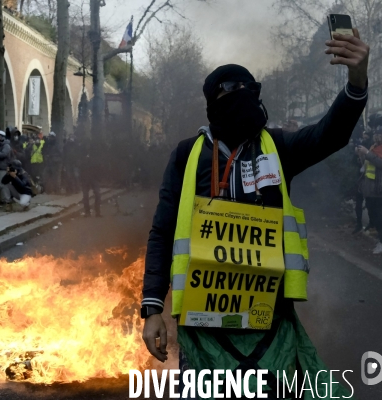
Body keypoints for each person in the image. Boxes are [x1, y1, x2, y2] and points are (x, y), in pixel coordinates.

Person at [141, 31, 369, 398]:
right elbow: (162, 231)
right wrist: (152, 307)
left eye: (251, 87)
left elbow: (332, 133)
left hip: (268, 320)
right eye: (232, 89)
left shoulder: (278, 147)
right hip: (204, 323)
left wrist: (357, 81)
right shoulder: (187, 155)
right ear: (213, 103)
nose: (243, 93)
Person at [356, 127, 382, 254]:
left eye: (379, 135)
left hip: (380, 190)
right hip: (370, 189)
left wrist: (367, 153)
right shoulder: (374, 147)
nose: (376, 137)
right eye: (375, 134)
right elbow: (366, 165)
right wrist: (361, 155)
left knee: (381, 217)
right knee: (375, 216)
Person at [78, 141, 101, 218]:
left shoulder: (95, 156)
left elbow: (98, 166)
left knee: (97, 194)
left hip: (93, 177)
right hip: (86, 178)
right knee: (86, 195)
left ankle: (97, 211)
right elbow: (80, 168)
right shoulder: (82, 157)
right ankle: (88, 212)